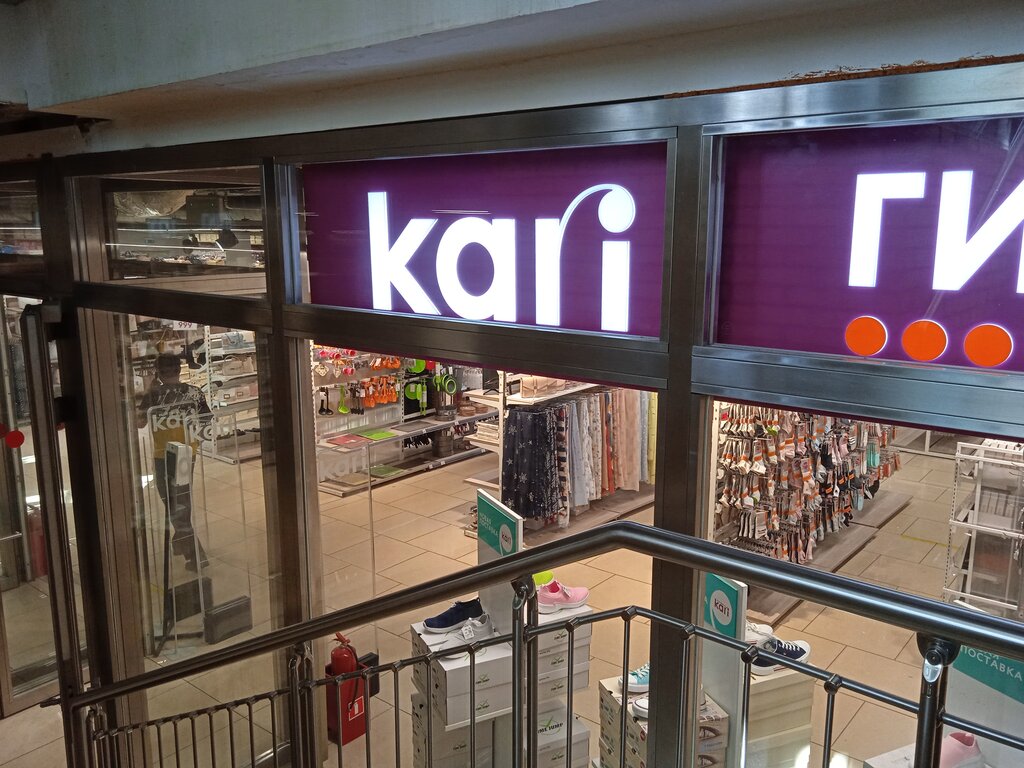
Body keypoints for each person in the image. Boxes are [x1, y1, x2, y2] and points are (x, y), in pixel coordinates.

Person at [137, 353, 211, 570]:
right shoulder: (194, 392)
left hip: (164, 455)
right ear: (179, 370)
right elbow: (206, 420)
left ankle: (195, 555)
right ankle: (181, 542)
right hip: (188, 452)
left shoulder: (154, 395)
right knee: (181, 500)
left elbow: (139, 423)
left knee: (173, 503)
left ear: (158, 372)